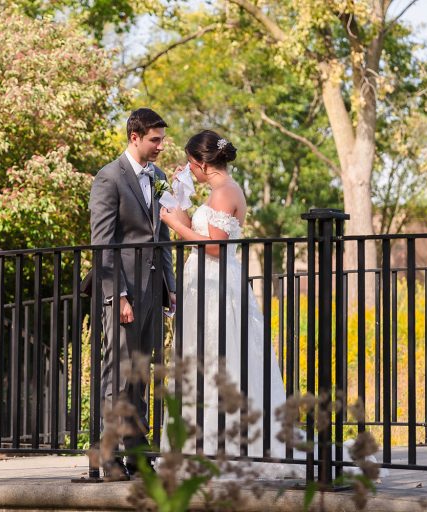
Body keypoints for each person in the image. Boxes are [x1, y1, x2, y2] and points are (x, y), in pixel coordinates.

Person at [159, 129, 298, 477]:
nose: (189, 172)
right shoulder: (220, 190)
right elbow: (206, 234)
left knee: (217, 357)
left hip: (216, 286)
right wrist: (178, 205)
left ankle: (221, 444)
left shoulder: (224, 192)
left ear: (200, 162)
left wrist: (177, 226)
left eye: (191, 166)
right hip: (204, 284)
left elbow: (215, 248)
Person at [89, 108, 177, 480]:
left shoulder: (157, 177)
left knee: (142, 375)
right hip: (123, 293)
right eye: (154, 140)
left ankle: (138, 456)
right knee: (118, 375)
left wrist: (169, 287)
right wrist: (118, 295)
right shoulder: (109, 178)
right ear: (135, 137)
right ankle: (106, 457)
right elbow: (103, 243)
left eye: (161, 139)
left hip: (152, 293)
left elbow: (163, 236)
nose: (160, 146)